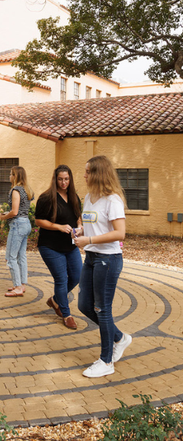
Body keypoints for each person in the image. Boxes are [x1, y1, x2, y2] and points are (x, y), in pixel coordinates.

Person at [75, 154, 131, 377]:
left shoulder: (113, 200)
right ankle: (119, 337)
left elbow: (120, 233)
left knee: (102, 309)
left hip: (107, 259)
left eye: (88, 171)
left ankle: (106, 362)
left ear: (98, 173)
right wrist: (81, 231)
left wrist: (88, 240)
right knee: (84, 305)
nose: (84, 175)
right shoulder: (89, 197)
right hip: (90, 258)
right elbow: (92, 226)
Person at [35, 164, 82, 330]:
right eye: (60, 179)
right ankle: (66, 313)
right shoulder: (47, 197)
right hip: (50, 246)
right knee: (61, 279)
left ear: (70, 179)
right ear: (55, 179)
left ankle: (55, 300)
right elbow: (38, 220)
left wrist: (79, 228)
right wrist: (59, 226)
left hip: (70, 245)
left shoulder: (74, 197)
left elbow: (78, 218)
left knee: (77, 276)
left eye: (66, 179)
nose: (63, 182)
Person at [1, 166, 32, 298]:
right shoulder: (26, 190)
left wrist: (3, 216)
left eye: (10, 174)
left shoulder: (15, 190)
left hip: (18, 225)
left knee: (11, 257)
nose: (9, 176)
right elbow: (20, 210)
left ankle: (17, 287)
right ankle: (21, 284)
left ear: (15, 176)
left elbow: (14, 212)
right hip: (26, 223)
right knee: (21, 256)